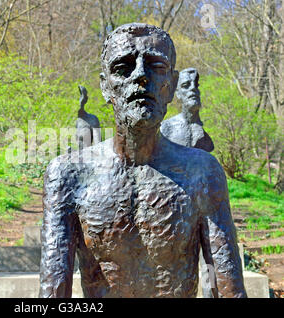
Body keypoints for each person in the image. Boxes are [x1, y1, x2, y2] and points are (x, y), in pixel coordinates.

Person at [39, 23, 246, 298]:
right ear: (105, 87)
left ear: (171, 86)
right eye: (123, 67)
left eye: (155, 67)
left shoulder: (202, 173)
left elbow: (228, 288)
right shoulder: (67, 175)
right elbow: (52, 294)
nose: (140, 76)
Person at [160, 68, 214, 152]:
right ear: (178, 93)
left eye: (196, 85)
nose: (193, 88)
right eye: (186, 86)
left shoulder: (204, 136)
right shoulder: (165, 128)